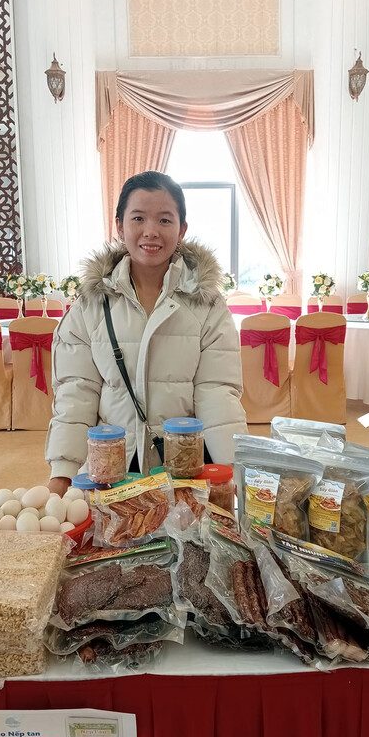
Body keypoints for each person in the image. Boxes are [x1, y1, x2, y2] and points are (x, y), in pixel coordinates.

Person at [46, 171, 247, 495]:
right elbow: (76, 391)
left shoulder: (206, 304)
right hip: (112, 469)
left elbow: (217, 392)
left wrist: (232, 470)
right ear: (119, 225)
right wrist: (63, 473)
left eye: (165, 220)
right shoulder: (91, 304)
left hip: (184, 469)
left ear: (181, 229)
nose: (151, 231)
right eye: (138, 217)